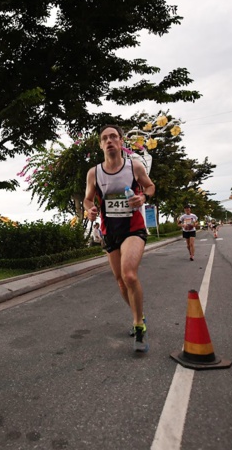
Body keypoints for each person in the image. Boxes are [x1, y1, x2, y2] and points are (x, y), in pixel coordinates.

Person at [84, 124, 155, 353]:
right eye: (105, 138)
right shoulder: (94, 172)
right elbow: (87, 199)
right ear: (100, 144)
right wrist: (90, 209)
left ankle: (138, 327)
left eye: (113, 136)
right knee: (120, 281)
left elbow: (150, 186)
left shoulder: (133, 166)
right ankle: (139, 315)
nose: (109, 141)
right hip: (110, 231)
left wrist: (142, 197)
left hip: (133, 228)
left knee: (129, 274)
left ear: (121, 141)